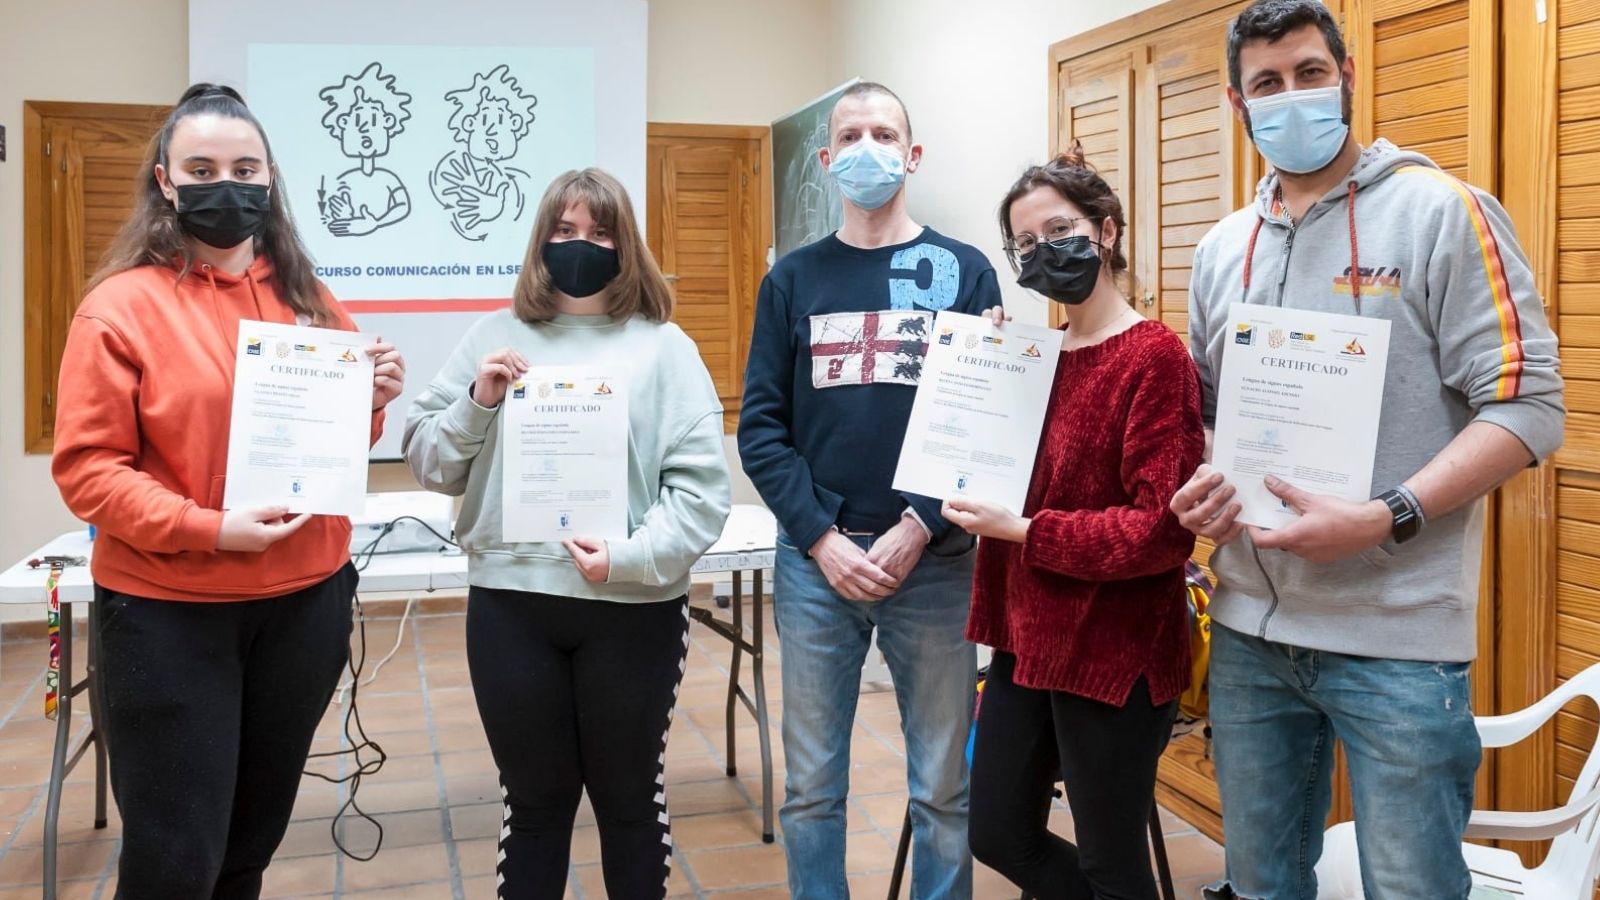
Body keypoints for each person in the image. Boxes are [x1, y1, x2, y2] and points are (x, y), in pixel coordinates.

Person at [1169, 3, 1566, 896]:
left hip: (1398, 643)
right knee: (1263, 885)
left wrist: (1386, 516)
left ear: (1348, 77)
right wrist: (1201, 482)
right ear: (1240, 103)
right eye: (1267, 83)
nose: (1291, 96)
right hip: (1248, 637)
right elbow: (1205, 415)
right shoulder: (1220, 249)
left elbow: (1531, 407)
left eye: (1310, 72)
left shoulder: (1442, 213)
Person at [50, 83, 405, 900]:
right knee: (177, 857)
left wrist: (371, 400)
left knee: (250, 843)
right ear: (166, 182)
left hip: (304, 605)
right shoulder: (120, 309)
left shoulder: (311, 302)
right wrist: (209, 528)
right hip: (170, 612)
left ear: (271, 178)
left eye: (246, 167)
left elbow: (332, 452)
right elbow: (89, 472)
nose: (227, 184)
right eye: (202, 168)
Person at [404, 167, 731, 899]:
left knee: (628, 803)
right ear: (540, 240)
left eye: (600, 232)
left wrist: (627, 556)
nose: (581, 244)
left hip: (634, 607)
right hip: (512, 606)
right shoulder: (492, 336)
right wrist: (478, 401)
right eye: (565, 231)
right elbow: (428, 461)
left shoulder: (666, 348)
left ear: (626, 246)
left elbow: (702, 496)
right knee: (535, 808)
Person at [737, 81, 1003, 899]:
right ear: (826, 160)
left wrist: (918, 526)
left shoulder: (965, 273)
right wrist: (822, 538)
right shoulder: (792, 280)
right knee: (812, 789)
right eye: (849, 135)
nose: (866, 148)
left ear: (913, 155)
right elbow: (762, 430)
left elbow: (987, 426)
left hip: (937, 565)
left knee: (943, 792)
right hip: (817, 571)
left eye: (883, 133)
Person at [946, 147, 1203, 899]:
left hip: (1115, 649)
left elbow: (1159, 532)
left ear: (1108, 232)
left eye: (1059, 230)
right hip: (1029, 641)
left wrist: (1026, 532)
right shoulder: (1034, 356)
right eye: (1025, 243)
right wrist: (984, 368)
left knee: (1111, 860)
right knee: (995, 831)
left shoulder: (1154, 357)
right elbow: (980, 469)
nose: (1043, 252)